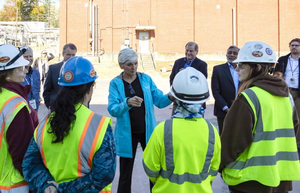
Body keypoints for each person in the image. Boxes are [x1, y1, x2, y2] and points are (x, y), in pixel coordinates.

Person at [22, 56, 116, 193]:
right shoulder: (99, 125)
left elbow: (29, 164)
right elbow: (105, 174)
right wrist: (64, 189)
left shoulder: (44, 124)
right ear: (90, 89)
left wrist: (48, 185)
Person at [220, 41, 300, 193]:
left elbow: (232, 142)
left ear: (256, 68)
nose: (237, 68)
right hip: (279, 179)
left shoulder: (248, 97)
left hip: (250, 181)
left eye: (242, 65)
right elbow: (293, 129)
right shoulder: (286, 96)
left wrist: (221, 165)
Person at [143, 67, 221, 193]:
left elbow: (150, 168)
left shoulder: (162, 130)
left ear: (174, 98)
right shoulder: (211, 131)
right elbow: (213, 170)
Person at [107, 48, 172, 193]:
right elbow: (112, 109)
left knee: (154, 171)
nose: (134, 67)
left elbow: (159, 101)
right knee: (125, 175)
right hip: (126, 135)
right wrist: (127, 103)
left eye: (136, 63)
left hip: (147, 132)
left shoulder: (146, 79)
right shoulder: (115, 84)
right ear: (121, 65)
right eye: (129, 64)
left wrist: (171, 97)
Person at [0, 44, 39, 192]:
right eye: (20, 68)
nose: (25, 70)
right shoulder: (15, 104)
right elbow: (23, 152)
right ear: (7, 74)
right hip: (13, 184)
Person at [169, 42, 208, 115]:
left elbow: (202, 82)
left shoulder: (202, 65)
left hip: (195, 103)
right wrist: (174, 92)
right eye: (187, 50)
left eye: (191, 51)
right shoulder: (178, 62)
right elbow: (172, 78)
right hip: (178, 101)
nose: (188, 53)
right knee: (176, 124)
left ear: (196, 52)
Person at [211, 45, 240, 134]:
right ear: (226, 55)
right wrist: (226, 108)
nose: (232, 55)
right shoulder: (218, 69)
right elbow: (216, 91)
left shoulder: (244, 69)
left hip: (241, 109)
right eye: (229, 53)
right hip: (223, 111)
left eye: (235, 53)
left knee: (239, 136)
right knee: (224, 136)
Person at [43, 43, 77, 109]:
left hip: (74, 107)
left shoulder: (79, 70)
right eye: (68, 54)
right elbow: (47, 90)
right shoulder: (53, 69)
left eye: (73, 55)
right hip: (57, 108)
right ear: (63, 54)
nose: (71, 57)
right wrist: (50, 106)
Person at [275, 38, 300, 121]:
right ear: (289, 47)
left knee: (297, 118)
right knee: (284, 115)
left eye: (297, 45)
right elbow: (276, 73)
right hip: (285, 90)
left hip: (298, 92)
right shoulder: (282, 59)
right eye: (292, 45)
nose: (294, 47)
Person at [21, 47, 41, 111]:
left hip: (35, 108)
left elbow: (37, 90)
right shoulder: (17, 74)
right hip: (22, 109)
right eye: (26, 56)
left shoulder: (36, 73)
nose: (29, 59)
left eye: (30, 56)